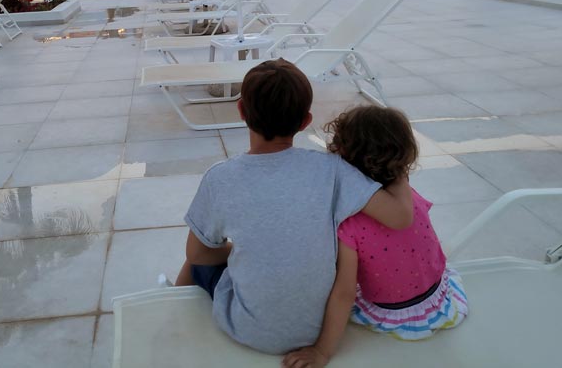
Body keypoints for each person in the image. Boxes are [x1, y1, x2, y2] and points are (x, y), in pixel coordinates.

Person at [175, 60, 414, 355]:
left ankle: (171, 317)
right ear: (305, 121)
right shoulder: (332, 170)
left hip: (247, 329)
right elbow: (400, 216)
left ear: (241, 111)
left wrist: (243, 250)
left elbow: (198, 254)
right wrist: (399, 164)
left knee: (195, 260)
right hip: (315, 328)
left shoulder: (220, 178)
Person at [283, 106, 468, 368]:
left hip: (394, 313)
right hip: (438, 299)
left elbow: (344, 294)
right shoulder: (407, 198)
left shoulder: (349, 223)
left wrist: (322, 352)